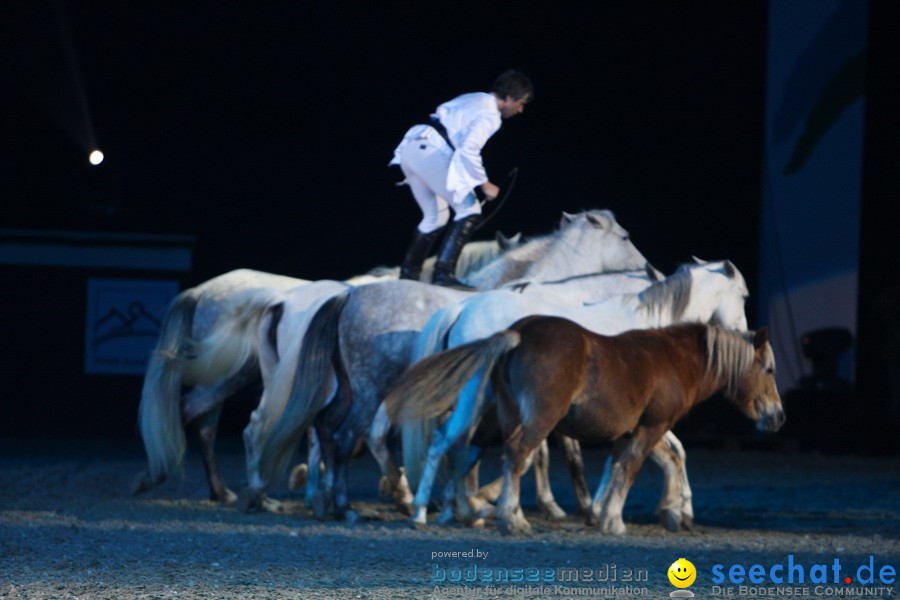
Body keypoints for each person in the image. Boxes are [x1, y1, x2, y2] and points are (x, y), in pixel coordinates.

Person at [390, 69, 533, 289]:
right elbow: (468, 149)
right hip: (432, 149)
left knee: (435, 216)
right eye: (521, 103)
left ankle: (408, 277)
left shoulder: (475, 97)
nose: (521, 110)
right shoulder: (491, 114)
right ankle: (443, 275)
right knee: (470, 209)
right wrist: (484, 183)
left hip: (411, 148)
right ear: (508, 98)